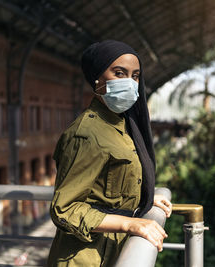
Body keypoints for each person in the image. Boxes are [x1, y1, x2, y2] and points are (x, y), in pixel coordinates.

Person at [47, 40, 172, 267]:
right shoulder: (86, 133)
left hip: (112, 251)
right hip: (84, 259)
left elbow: (108, 184)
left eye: (135, 76)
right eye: (119, 73)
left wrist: (143, 196)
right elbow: (64, 209)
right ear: (97, 79)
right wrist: (129, 224)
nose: (130, 83)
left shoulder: (122, 124)